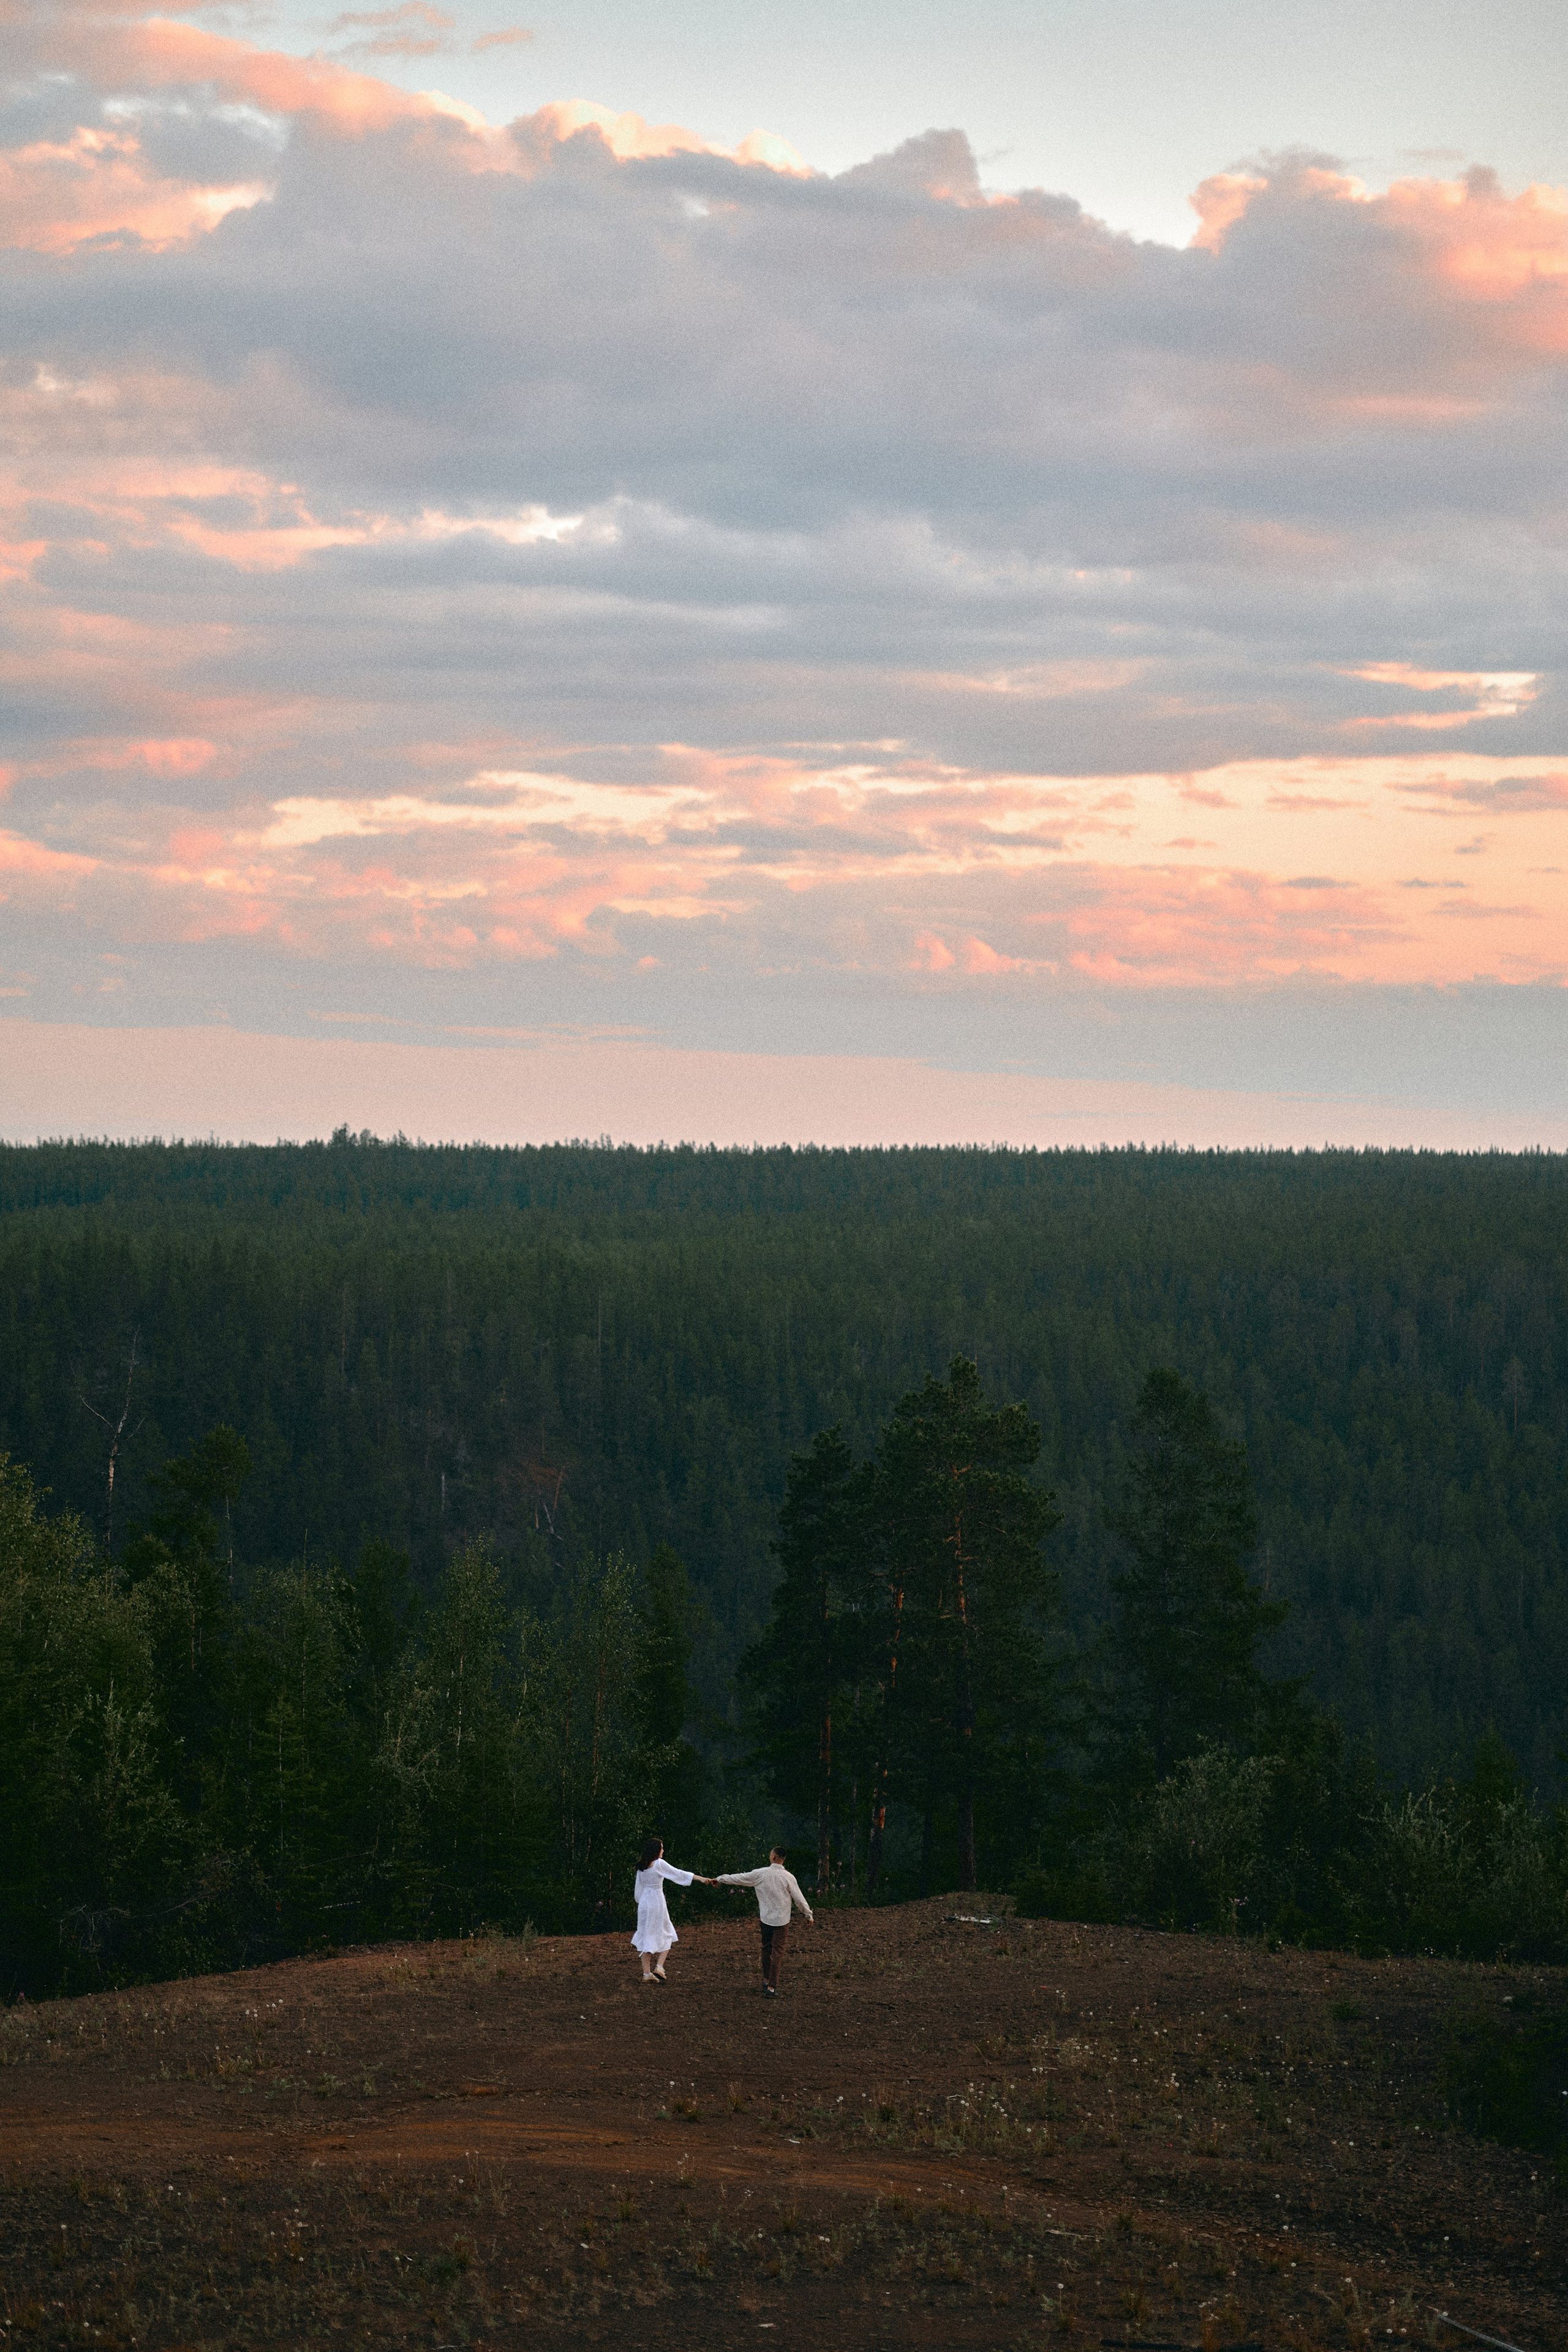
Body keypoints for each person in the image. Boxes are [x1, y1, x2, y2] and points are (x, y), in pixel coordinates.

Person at [715, 1847, 814, 1994]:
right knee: (778, 1952)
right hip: (782, 1920)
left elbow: (738, 1878)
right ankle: (772, 1986)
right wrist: (808, 1915)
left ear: (773, 1857)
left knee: (766, 1948)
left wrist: (720, 1879)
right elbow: (799, 1899)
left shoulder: (760, 1874)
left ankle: (767, 1979)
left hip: (766, 1919)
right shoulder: (789, 1877)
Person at [631, 1837, 713, 1983]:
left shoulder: (642, 1866)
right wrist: (700, 1878)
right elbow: (678, 1874)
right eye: (662, 1848)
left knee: (645, 1935)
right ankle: (659, 1967)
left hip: (644, 1903)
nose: (663, 1850)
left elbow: (638, 1892)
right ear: (656, 1850)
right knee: (668, 1933)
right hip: (656, 1901)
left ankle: (646, 1973)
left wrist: (642, 1903)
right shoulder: (658, 1864)